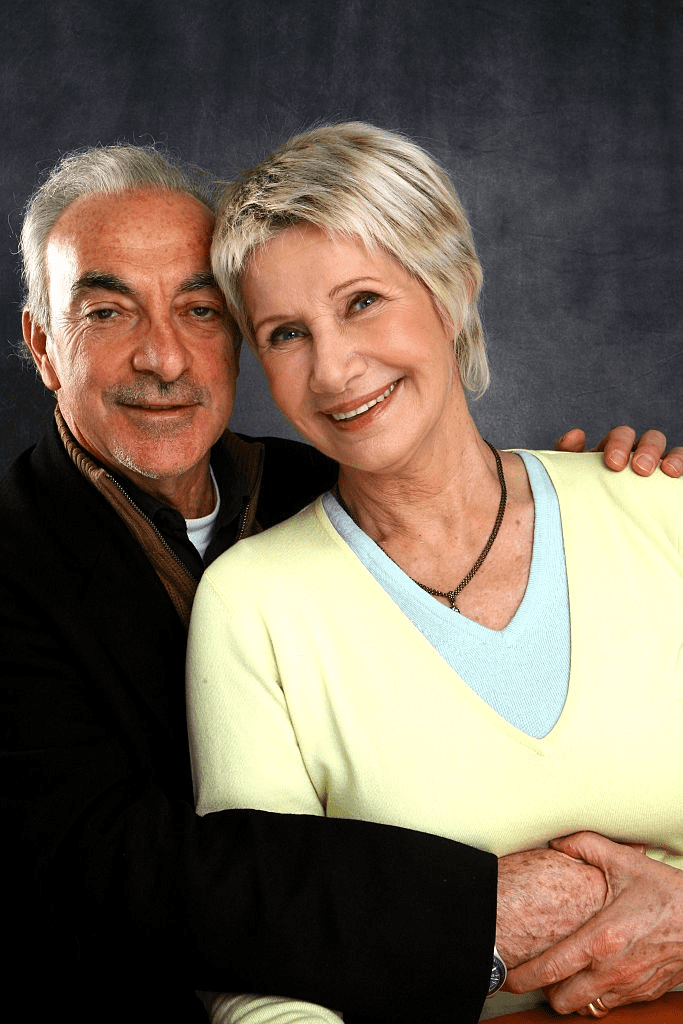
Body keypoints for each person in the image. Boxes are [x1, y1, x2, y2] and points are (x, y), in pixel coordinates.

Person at [0, 144, 676, 1024]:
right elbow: (108, 868)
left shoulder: (312, 481)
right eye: (105, 311)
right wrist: (483, 912)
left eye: (199, 309)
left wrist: (602, 507)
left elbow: (435, 484)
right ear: (42, 344)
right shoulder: (211, 586)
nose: (163, 357)